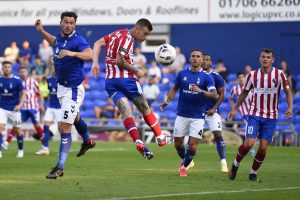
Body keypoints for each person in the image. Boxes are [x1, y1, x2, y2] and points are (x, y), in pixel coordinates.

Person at [91, 18, 167, 159]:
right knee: (145, 108)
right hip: (127, 80)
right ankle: (160, 137)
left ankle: (138, 141)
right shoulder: (128, 39)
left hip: (110, 82)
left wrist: (95, 63)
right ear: (137, 29)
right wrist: (136, 70)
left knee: (127, 113)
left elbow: (97, 43)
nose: (145, 38)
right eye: (144, 34)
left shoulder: (117, 34)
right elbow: (120, 61)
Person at [35, 11, 96, 179]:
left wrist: (72, 53)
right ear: (60, 23)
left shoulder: (78, 40)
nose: (68, 25)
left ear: (74, 25)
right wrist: (41, 31)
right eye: (65, 22)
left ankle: (59, 166)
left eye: (71, 22)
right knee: (74, 117)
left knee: (64, 126)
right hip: (62, 88)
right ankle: (88, 140)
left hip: (73, 89)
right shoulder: (60, 39)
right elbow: (54, 42)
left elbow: (91, 54)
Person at [228, 48, 293, 181]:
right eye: (263, 57)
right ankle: (235, 164)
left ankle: (253, 172)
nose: (265, 59)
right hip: (255, 114)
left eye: (268, 57)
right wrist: (234, 108)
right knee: (249, 144)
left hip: (271, 117)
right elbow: (244, 92)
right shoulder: (253, 75)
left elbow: (288, 92)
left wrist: (290, 107)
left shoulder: (279, 74)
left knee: (263, 147)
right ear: (260, 59)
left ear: (272, 60)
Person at [160, 50, 218, 177]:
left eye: (198, 56)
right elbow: (174, 88)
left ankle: (184, 167)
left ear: (202, 59)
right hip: (182, 115)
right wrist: (167, 102)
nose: (196, 58)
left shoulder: (207, 76)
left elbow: (215, 95)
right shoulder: (182, 73)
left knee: (192, 146)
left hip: (198, 117)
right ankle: (187, 160)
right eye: (193, 56)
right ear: (190, 58)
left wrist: (201, 91)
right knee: (178, 144)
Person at [2, 66, 45, 150]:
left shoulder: (33, 82)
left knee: (37, 125)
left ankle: (44, 146)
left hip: (33, 108)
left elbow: (40, 93)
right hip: (23, 109)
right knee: (16, 125)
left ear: (27, 72)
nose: (23, 73)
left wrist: (41, 105)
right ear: (19, 73)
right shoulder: (17, 82)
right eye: (21, 72)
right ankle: (6, 142)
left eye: (24, 71)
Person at [202, 54, 228, 172]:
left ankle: (223, 162)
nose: (205, 61)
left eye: (207, 60)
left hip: (212, 112)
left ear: (211, 62)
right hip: (198, 112)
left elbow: (222, 95)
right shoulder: (196, 75)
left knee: (218, 135)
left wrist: (214, 108)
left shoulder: (216, 77)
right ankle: (189, 161)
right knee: (193, 137)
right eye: (203, 59)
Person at [0, 61, 26, 158]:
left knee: (18, 130)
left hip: (14, 109)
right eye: (5, 67)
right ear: (2, 69)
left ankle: (20, 150)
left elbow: (24, 93)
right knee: (0, 128)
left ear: (11, 69)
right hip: (2, 108)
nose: (7, 68)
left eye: (8, 67)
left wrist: (20, 105)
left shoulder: (17, 80)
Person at [35, 65, 60, 155]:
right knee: (46, 126)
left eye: (55, 66)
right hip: (50, 106)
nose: (54, 68)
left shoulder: (63, 79)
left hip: (60, 108)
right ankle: (45, 148)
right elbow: (46, 93)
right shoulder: (48, 79)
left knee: (62, 129)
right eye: (53, 67)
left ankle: (63, 148)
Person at [229, 72, 255, 157]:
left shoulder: (251, 87)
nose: (241, 79)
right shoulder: (235, 89)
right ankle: (250, 148)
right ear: (237, 79)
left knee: (251, 129)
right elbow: (230, 98)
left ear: (245, 78)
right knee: (250, 128)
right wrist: (234, 109)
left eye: (242, 77)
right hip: (244, 113)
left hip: (254, 111)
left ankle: (248, 146)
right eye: (239, 77)